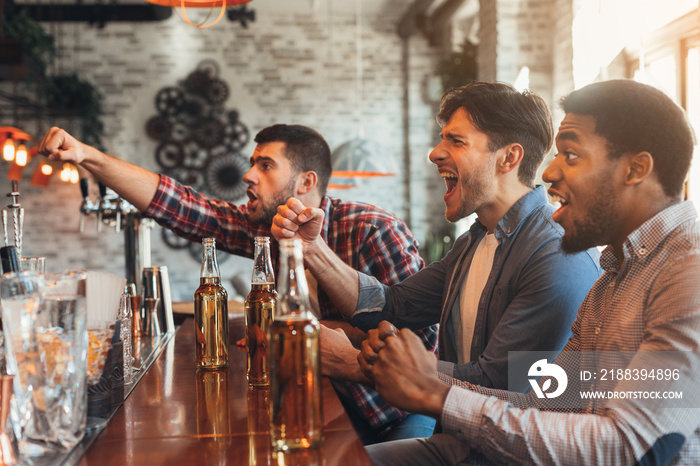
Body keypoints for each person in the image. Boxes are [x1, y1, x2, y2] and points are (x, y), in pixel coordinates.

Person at [360, 79, 700, 465]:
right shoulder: (612, 278)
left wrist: (435, 393)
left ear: (636, 169)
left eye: (570, 155)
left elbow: (633, 448)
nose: (550, 171)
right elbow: (546, 401)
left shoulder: (688, 272)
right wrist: (423, 379)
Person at [37, 123, 439, 444]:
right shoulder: (265, 231)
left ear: (305, 182)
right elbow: (181, 205)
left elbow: (421, 348)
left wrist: (325, 333)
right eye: (252, 162)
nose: (248, 174)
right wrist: (88, 156)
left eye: (265, 165)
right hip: (325, 404)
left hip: (393, 414)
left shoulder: (373, 230)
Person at [272, 82, 600, 392]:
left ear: (508, 158)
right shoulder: (473, 243)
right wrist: (312, 249)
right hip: (455, 440)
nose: (434, 154)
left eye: (456, 141)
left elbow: (501, 383)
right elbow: (391, 305)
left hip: (506, 451)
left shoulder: (555, 254)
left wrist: (352, 362)